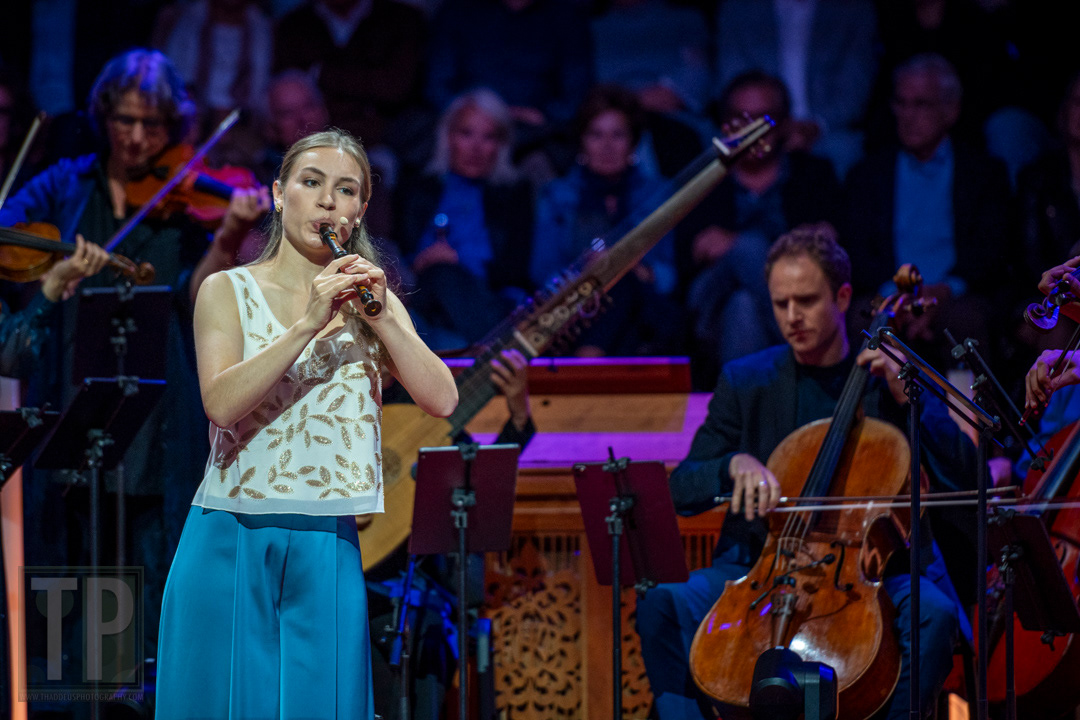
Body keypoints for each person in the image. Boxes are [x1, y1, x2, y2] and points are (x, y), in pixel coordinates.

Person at [155, 128, 458, 718]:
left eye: (346, 191)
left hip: (328, 541)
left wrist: (383, 316)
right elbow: (220, 403)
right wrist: (306, 325)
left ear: (360, 210)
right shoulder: (226, 289)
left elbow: (442, 398)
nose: (327, 202)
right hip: (233, 532)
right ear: (278, 193)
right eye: (312, 183)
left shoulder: (374, 302)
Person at [0, 49, 270, 690]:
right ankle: (81, 693)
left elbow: (195, 300)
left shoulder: (184, 201)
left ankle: (141, 693)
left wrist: (229, 238)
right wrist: (58, 275)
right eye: (125, 121)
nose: (139, 138)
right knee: (78, 592)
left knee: (150, 574)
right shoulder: (67, 183)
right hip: (75, 398)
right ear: (104, 115)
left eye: (153, 126)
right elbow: (11, 233)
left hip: (158, 408)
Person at [634, 225, 976, 719]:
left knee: (935, 615)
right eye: (780, 303)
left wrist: (911, 399)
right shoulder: (747, 381)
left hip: (872, 576)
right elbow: (682, 485)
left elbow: (962, 476)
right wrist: (732, 465)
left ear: (841, 297)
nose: (791, 317)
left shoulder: (891, 379)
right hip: (760, 569)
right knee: (661, 605)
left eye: (806, 301)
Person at [531, 85, 677, 356]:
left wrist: (634, 267)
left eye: (618, 135)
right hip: (576, 307)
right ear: (582, 142)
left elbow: (672, 275)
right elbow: (542, 273)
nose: (607, 147)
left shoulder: (658, 194)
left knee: (621, 280)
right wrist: (584, 274)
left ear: (633, 142)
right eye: (596, 135)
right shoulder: (557, 195)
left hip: (644, 304)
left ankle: (588, 362)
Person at [395, 88, 535, 350]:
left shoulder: (515, 194)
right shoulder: (418, 188)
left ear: (501, 145)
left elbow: (515, 272)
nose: (476, 148)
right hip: (424, 299)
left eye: (488, 137)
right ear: (448, 137)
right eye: (466, 133)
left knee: (450, 278)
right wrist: (423, 264)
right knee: (438, 279)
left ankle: (475, 350)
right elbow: (397, 255)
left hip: (489, 299)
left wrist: (458, 261)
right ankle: (495, 350)